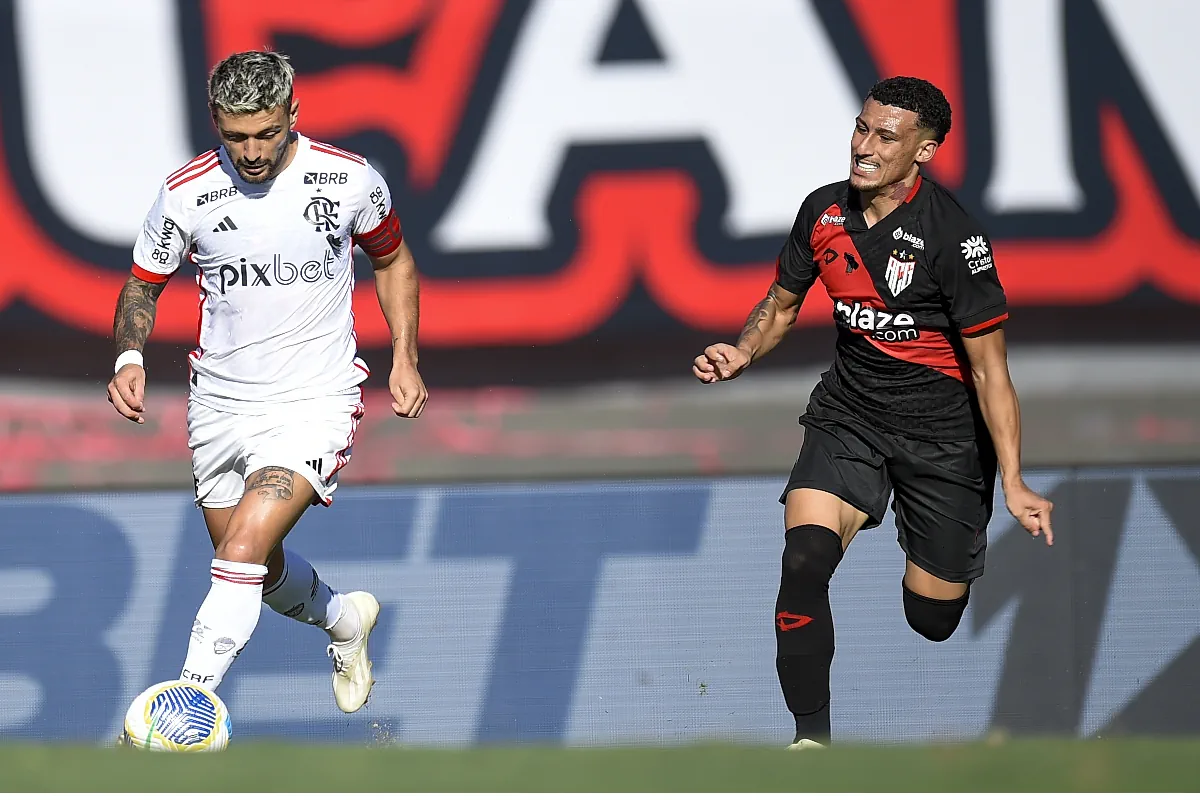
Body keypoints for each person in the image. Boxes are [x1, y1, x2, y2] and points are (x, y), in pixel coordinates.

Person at [693, 76, 1053, 749]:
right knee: (803, 559)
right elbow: (780, 304)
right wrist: (742, 351)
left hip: (944, 440)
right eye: (862, 127)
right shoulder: (822, 213)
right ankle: (811, 747)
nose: (863, 145)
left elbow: (990, 372)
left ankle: (936, 553)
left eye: (886, 136)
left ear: (925, 150)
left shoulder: (954, 239)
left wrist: (1014, 481)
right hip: (849, 417)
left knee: (932, 618)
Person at [106, 50, 427, 714]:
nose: (251, 151)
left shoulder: (348, 180)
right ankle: (343, 618)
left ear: (292, 117)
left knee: (247, 542)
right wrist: (128, 358)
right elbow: (143, 284)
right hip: (221, 403)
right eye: (235, 136)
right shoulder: (186, 191)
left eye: (266, 133)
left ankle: (187, 707)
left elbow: (393, 262)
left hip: (315, 398)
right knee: (253, 565)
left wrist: (405, 355)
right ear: (215, 124)